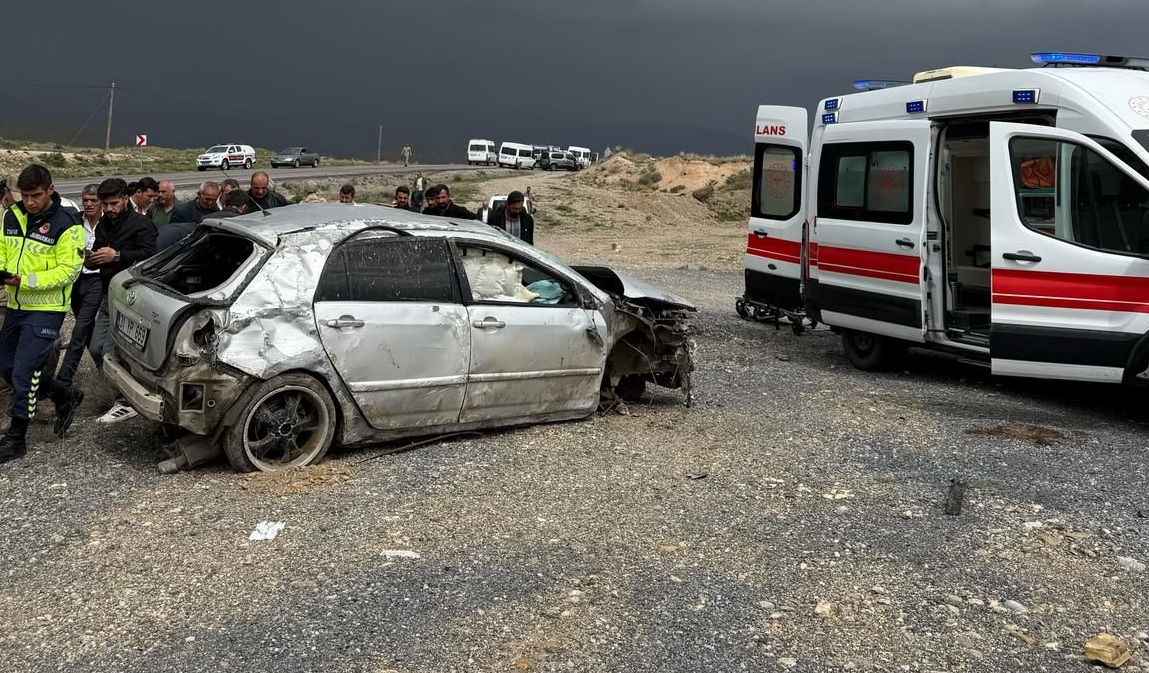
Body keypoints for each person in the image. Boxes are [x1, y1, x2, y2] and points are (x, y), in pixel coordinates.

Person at [0, 164, 86, 462]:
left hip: (46, 309)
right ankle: (65, 395)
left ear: (50, 189)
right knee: (7, 368)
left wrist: (26, 281)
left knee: (24, 372)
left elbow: (68, 272)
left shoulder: (68, 224)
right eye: (24, 196)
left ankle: (16, 437)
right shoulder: (13, 215)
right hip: (16, 306)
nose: (30, 202)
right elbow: (3, 249)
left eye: (36, 195)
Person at [86, 177, 157, 424]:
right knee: (96, 348)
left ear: (125, 198)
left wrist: (117, 255)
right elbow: (98, 248)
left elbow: (150, 256)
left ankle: (125, 400)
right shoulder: (106, 222)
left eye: (113, 203)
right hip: (107, 293)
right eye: (105, 205)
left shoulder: (142, 224)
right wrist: (91, 259)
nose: (109, 209)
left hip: (130, 296)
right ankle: (115, 389)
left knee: (112, 350)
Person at [53, 184, 106, 395]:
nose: (89, 204)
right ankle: (104, 368)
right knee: (87, 329)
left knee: (79, 330)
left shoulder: (107, 223)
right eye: (85, 200)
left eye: (93, 200)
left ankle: (63, 380)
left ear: (100, 201)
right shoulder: (74, 219)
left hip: (97, 280)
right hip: (76, 279)